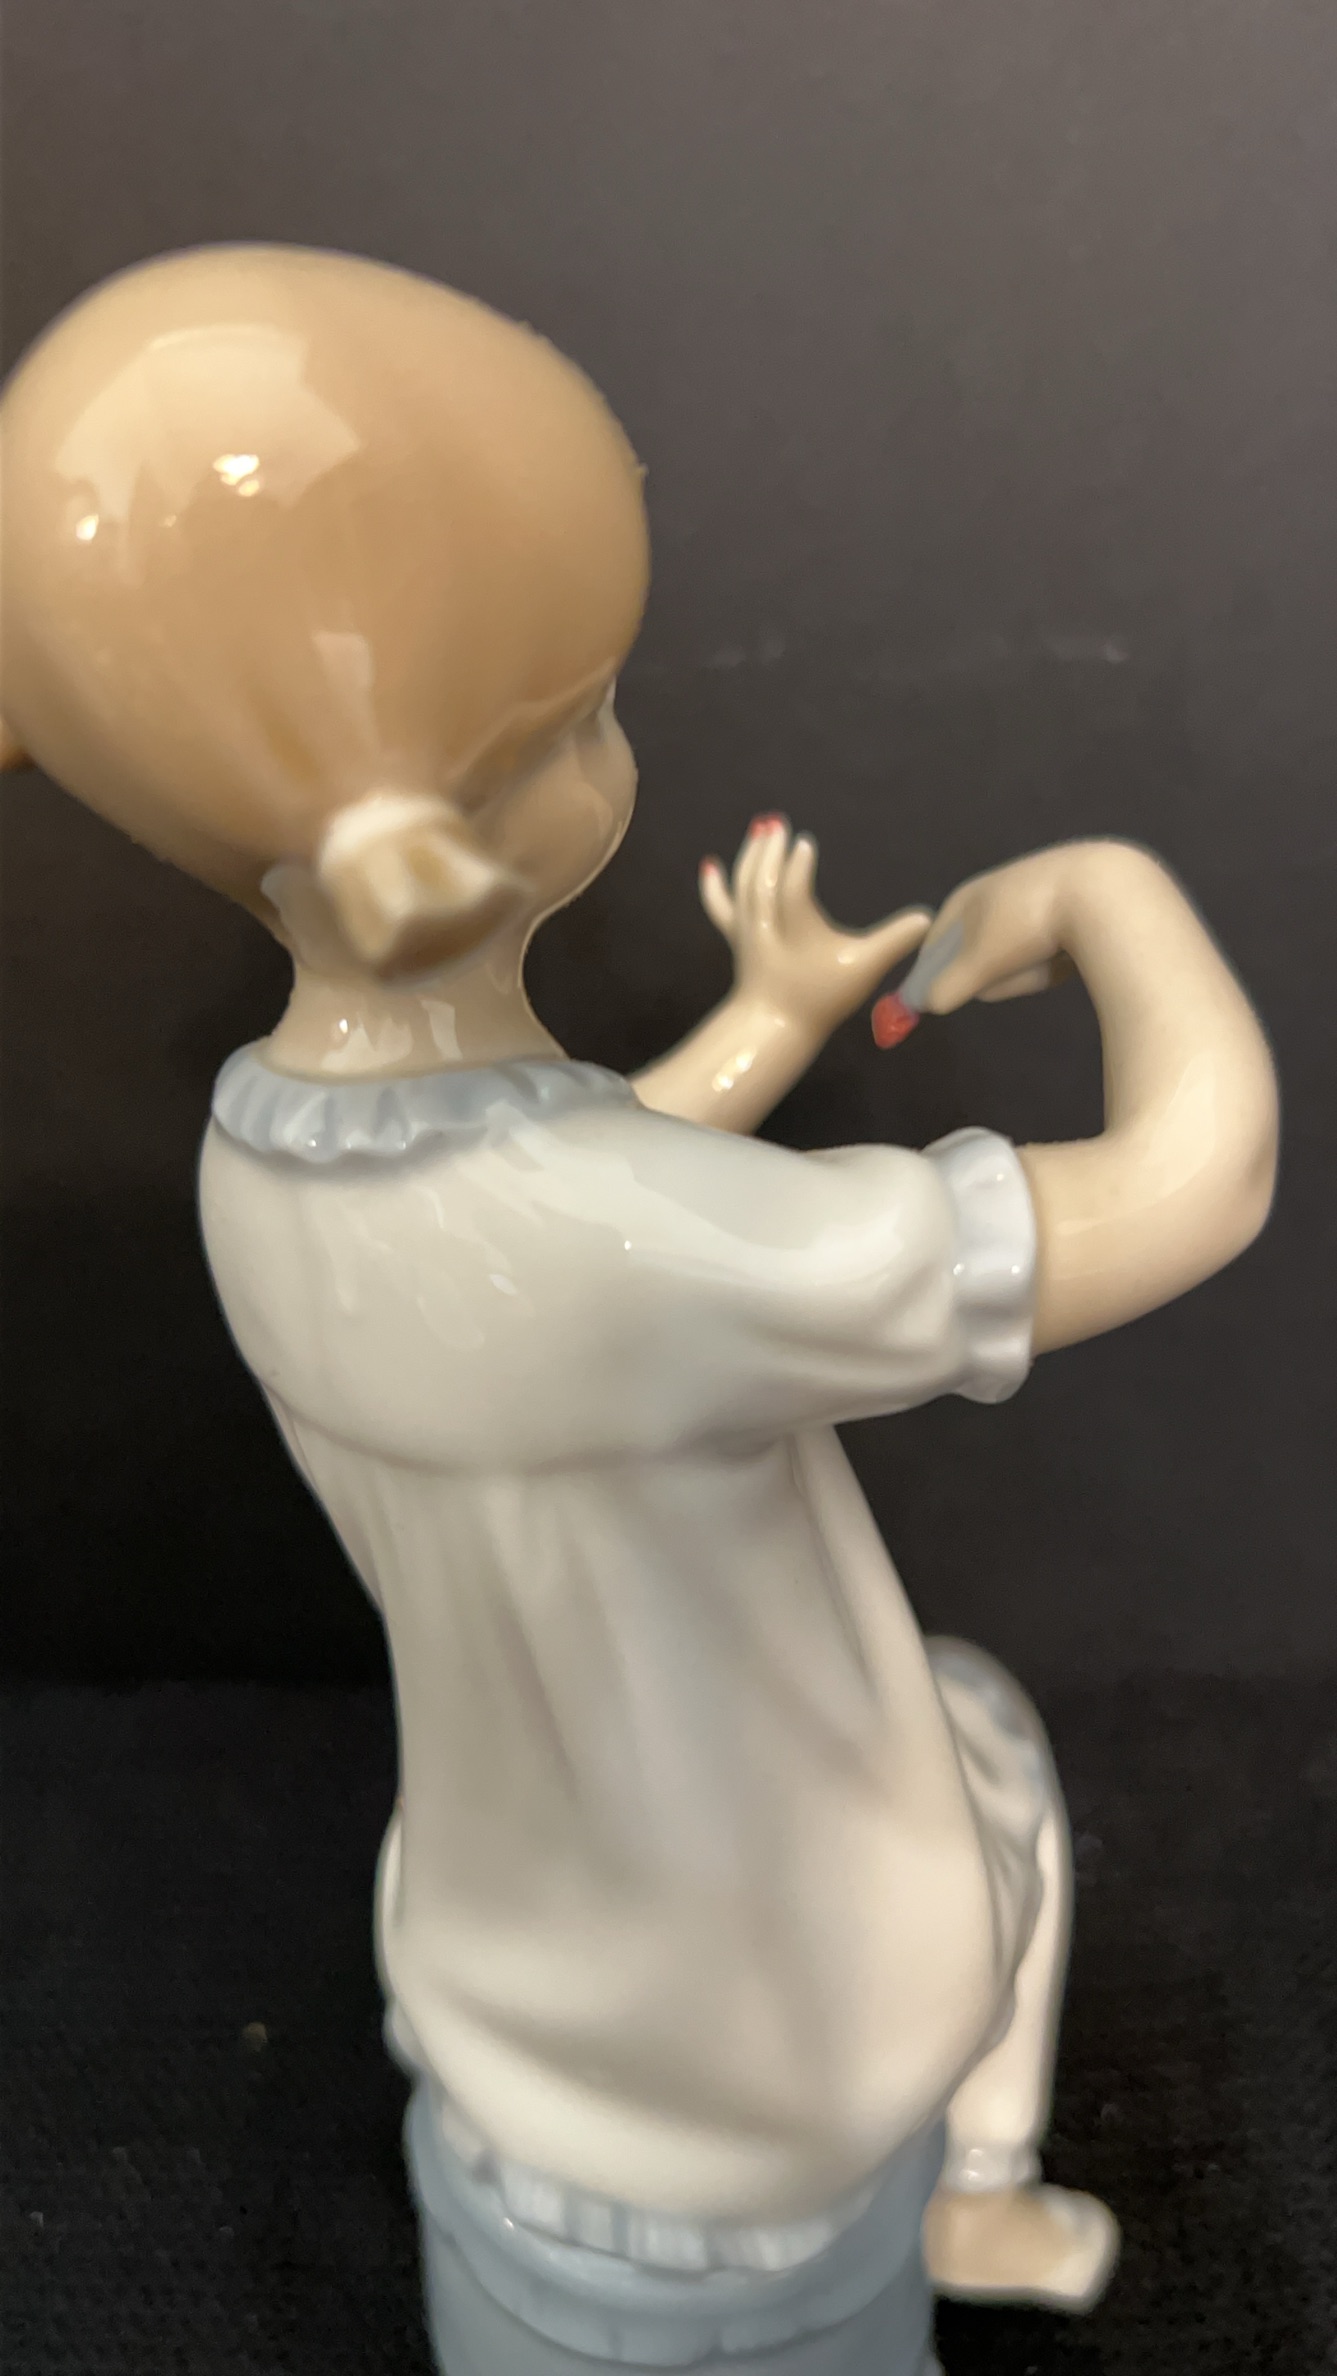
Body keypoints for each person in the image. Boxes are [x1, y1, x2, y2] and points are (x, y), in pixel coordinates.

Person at [0, 246, 1278, 2373]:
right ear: (442, 838)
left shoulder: (264, 1157)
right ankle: (953, 2180)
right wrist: (1113, 895)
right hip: (760, 2048)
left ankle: (964, 2189)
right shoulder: (622, 1251)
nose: (620, 740)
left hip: (513, 1962)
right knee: (980, 1769)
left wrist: (763, 1023)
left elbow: (562, 1219)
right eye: (577, 722)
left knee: (978, 1733)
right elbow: (1196, 1182)